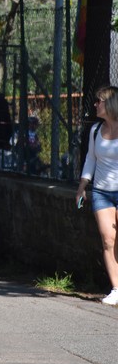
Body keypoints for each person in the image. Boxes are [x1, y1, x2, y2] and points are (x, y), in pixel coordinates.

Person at [76, 86, 118, 306]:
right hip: (101, 192)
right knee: (108, 240)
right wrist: (82, 187)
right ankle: (116, 288)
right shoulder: (95, 130)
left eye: (98, 101)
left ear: (110, 103)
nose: (95, 104)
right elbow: (90, 160)